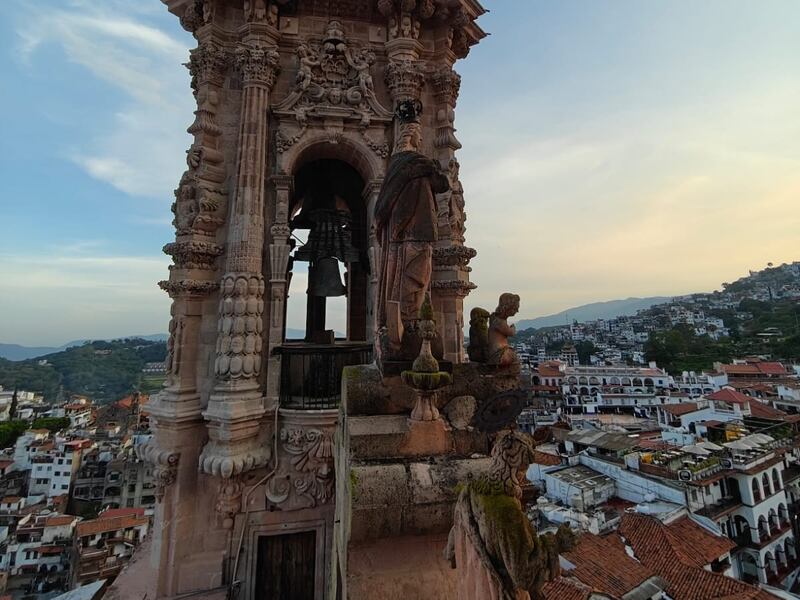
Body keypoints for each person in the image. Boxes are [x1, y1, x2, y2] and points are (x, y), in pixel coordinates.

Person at [374, 101, 450, 356]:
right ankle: (410, 324)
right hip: (417, 232)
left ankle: (405, 323)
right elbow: (442, 184)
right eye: (418, 133)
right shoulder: (418, 163)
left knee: (407, 279)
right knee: (416, 278)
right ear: (411, 135)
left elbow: (382, 206)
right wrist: (435, 167)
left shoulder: (397, 166)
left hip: (402, 233)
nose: (420, 137)